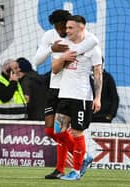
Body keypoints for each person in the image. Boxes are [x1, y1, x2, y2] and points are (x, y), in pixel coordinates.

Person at [32, 9, 99, 179]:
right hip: (55, 88)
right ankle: (83, 157)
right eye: (58, 27)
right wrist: (50, 48)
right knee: (52, 132)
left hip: (72, 90)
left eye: (64, 26)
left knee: (67, 130)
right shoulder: (50, 36)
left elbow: (93, 43)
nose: (62, 31)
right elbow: (36, 61)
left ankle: (61, 168)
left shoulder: (80, 37)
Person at [51, 15, 102, 180]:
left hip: (81, 96)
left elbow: (98, 74)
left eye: (70, 28)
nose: (67, 31)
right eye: (66, 28)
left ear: (81, 28)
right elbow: (54, 69)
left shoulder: (93, 47)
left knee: (77, 132)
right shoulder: (66, 46)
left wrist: (97, 97)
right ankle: (85, 157)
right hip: (64, 94)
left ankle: (76, 171)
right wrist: (63, 58)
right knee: (58, 132)